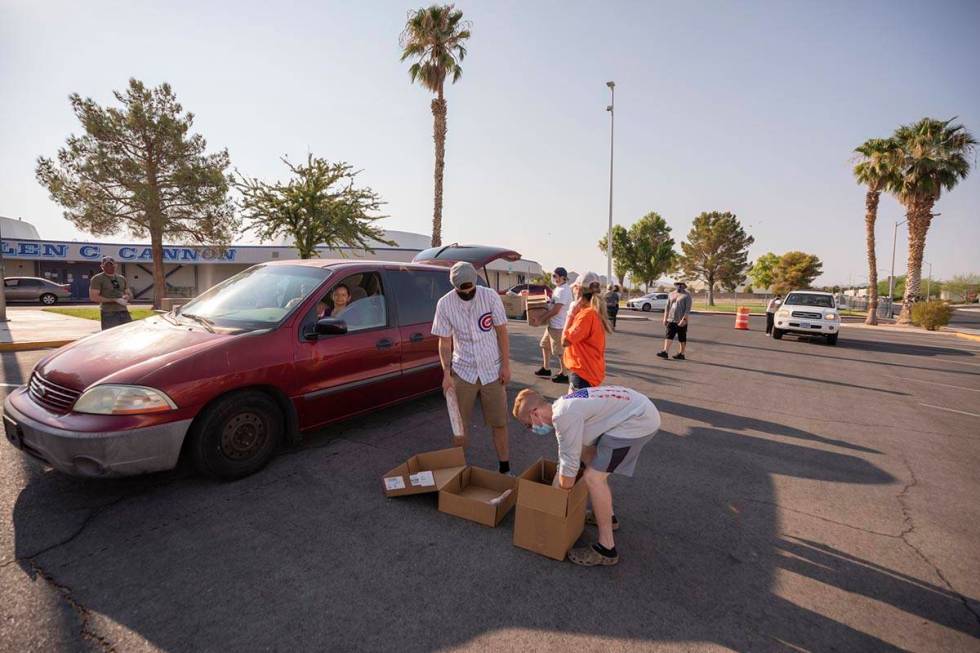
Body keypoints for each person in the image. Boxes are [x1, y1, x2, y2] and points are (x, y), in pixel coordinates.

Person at [512, 385, 661, 567]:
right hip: (636, 408)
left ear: (535, 414)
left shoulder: (564, 416)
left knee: (593, 478)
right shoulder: (562, 405)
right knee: (588, 455)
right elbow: (570, 453)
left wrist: (554, 506)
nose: (530, 429)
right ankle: (609, 517)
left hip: (638, 421)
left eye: (527, 425)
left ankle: (606, 548)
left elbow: (568, 468)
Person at [431, 262, 513, 474]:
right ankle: (459, 470)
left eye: (470, 289)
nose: (467, 293)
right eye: (462, 291)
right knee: (460, 424)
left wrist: (505, 365)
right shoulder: (445, 304)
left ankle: (504, 468)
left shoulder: (490, 297)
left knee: (499, 422)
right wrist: (446, 374)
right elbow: (445, 342)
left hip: (492, 370)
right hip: (463, 370)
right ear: (454, 286)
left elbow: (502, 333)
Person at [562, 271, 613, 390]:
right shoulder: (592, 312)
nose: (573, 291)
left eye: (574, 288)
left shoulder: (586, 315)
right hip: (589, 372)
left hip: (583, 374)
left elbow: (565, 340)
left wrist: (571, 313)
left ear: (579, 290)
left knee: (575, 408)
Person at [534, 267, 573, 384]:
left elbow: (556, 310)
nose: (554, 278)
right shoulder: (559, 288)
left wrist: (540, 319)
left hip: (558, 326)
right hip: (553, 324)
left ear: (563, 278)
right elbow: (554, 304)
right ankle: (546, 369)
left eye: (556, 276)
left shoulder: (563, 291)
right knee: (544, 345)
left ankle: (564, 374)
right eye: (553, 276)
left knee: (559, 352)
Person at [89, 256, 133, 330]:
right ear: (102, 266)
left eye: (111, 265)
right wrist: (115, 300)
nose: (109, 267)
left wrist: (127, 297)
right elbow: (94, 297)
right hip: (109, 313)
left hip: (124, 311)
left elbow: (129, 293)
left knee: (128, 335)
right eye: (106, 265)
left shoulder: (121, 278)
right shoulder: (97, 279)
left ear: (116, 265)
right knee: (111, 337)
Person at [657, 280, 692, 361]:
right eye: (677, 284)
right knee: (669, 335)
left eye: (681, 284)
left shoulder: (687, 295)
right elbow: (667, 307)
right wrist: (665, 318)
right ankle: (665, 352)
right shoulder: (671, 294)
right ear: (675, 285)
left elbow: (687, 309)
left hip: (681, 320)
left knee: (682, 337)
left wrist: (684, 319)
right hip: (671, 319)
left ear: (684, 285)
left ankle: (681, 353)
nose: (679, 286)